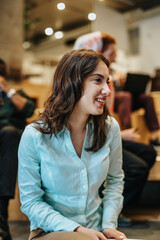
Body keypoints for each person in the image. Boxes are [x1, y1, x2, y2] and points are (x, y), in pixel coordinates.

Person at [18, 49, 126, 240]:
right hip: (50, 231)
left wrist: (109, 225)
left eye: (107, 81)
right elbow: (30, 202)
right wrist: (77, 230)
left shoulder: (110, 127)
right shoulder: (35, 135)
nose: (107, 90)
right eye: (97, 80)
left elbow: (115, 181)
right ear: (73, 82)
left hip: (97, 232)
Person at [74, 32, 157, 226]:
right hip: (94, 136)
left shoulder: (106, 111)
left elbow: (105, 119)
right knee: (136, 166)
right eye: (112, 53)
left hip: (104, 131)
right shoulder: (78, 87)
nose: (107, 89)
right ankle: (108, 209)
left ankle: (117, 207)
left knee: (147, 152)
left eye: (106, 81)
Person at [74, 31, 160, 151]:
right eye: (111, 54)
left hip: (124, 97)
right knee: (126, 96)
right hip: (123, 99)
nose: (115, 57)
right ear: (98, 51)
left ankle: (154, 136)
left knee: (146, 97)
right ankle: (126, 132)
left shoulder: (113, 70)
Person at [0, 59, 35, 240]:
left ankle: (1, 220)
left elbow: (29, 110)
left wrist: (7, 90)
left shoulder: (15, 94)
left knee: (8, 132)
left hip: (10, 142)